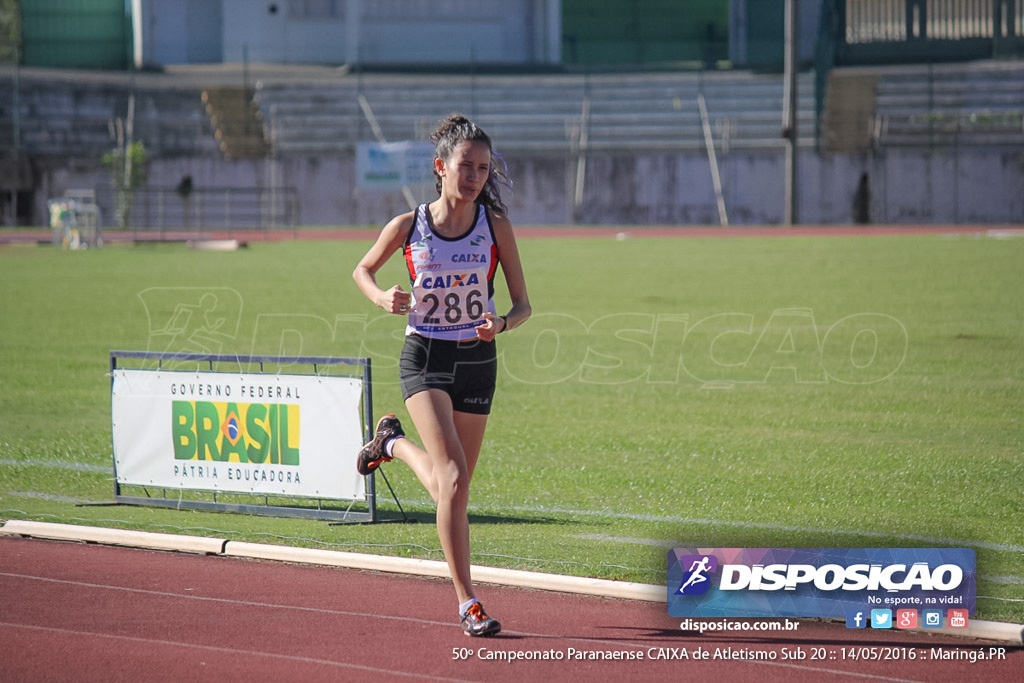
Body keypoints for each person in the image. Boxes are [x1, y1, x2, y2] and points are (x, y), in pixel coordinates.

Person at [352, 113, 531, 637]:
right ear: (440, 167)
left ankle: (391, 446)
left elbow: (523, 305)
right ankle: (467, 603)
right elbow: (362, 269)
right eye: (465, 166)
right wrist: (383, 295)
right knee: (452, 480)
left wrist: (500, 323)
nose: (475, 175)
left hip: (478, 361)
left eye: (483, 167)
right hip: (425, 357)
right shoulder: (409, 226)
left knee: (453, 489)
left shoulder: (495, 227)